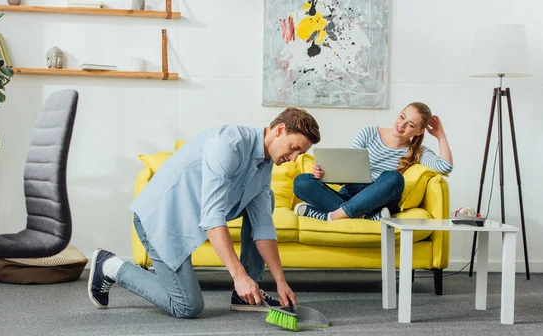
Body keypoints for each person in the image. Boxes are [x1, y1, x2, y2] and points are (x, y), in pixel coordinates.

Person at [87, 108, 321, 318]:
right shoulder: (228, 146)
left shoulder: (264, 165)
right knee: (187, 306)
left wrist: (280, 281)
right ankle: (110, 265)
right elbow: (212, 217)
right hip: (161, 219)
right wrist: (238, 275)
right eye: (294, 148)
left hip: (190, 218)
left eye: (299, 154)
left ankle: (246, 294)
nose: (293, 159)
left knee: (264, 201)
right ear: (279, 130)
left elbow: (262, 226)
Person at [293, 102, 452, 222]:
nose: (401, 125)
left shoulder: (418, 151)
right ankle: (362, 216)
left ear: (419, 131)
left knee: (394, 178)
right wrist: (323, 174)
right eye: (402, 117)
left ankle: (332, 216)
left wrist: (440, 135)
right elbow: (348, 170)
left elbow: (445, 166)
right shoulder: (369, 133)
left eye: (410, 125)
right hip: (351, 194)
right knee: (302, 182)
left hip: (378, 200)